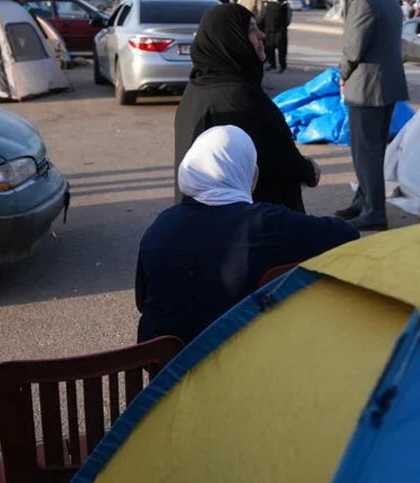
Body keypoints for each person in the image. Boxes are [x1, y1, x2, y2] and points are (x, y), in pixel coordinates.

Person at [137, 125, 358, 344]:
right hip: (242, 364)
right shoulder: (264, 223)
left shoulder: (161, 226)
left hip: (165, 371)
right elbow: (346, 234)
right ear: (245, 172)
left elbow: (143, 300)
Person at [175, 3, 320, 213]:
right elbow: (276, 157)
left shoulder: (200, 88)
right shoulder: (237, 97)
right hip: (252, 227)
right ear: (232, 40)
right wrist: (308, 170)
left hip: (209, 224)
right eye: (251, 30)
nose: (261, 35)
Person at [335, 0, 409, 231]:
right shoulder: (390, 1)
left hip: (365, 89)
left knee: (365, 154)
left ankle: (373, 212)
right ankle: (363, 200)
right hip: (386, 87)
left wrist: (341, 74)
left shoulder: (363, 3)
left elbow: (353, 50)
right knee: (373, 151)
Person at [258, 0, 291, 73]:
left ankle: (282, 66)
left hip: (280, 29)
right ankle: (272, 65)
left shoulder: (283, 2)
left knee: (281, 48)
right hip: (268, 29)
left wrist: (284, 25)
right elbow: (263, 15)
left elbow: (288, 16)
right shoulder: (266, 1)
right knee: (269, 47)